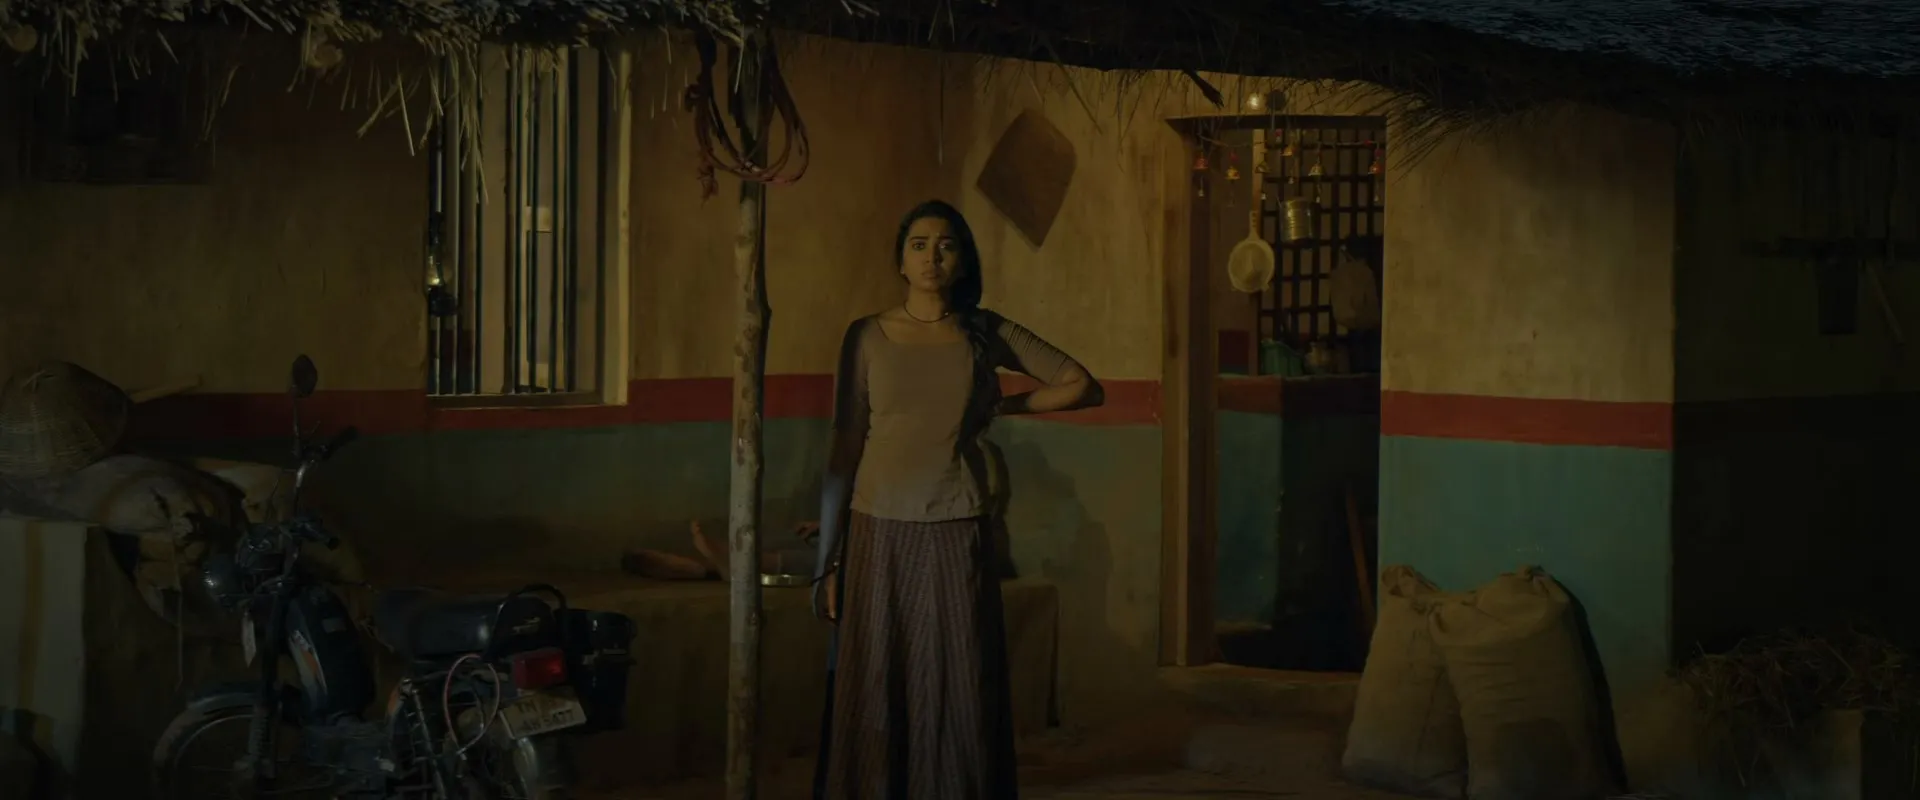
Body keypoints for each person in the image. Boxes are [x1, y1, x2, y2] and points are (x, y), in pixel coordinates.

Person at [810, 200, 1104, 799]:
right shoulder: (866, 336)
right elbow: (845, 446)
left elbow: (1082, 385)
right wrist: (828, 561)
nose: (931, 257)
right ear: (900, 260)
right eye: (918, 245)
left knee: (956, 680)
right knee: (877, 679)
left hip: (956, 524)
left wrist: (1002, 405)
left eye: (946, 245)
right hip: (876, 528)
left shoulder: (983, 331)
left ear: (963, 260)